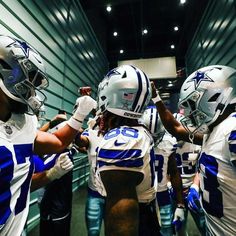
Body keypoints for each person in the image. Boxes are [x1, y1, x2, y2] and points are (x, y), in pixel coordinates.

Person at [0, 35, 96, 236]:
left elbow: (59, 141)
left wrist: (79, 115)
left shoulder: (24, 122)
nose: (32, 91)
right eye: (29, 80)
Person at [153, 65, 236, 235]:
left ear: (214, 97)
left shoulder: (232, 129)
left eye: (193, 103)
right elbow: (176, 128)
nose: (190, 113)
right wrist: (156, 99)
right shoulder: (214, 132)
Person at [95, 65, 161, 236]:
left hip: (138, 223)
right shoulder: (139, 131)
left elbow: (122, 220)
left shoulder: (121, 141)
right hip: (148, 215)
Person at [140, 105, 185, 236]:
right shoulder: (135, 141)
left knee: (166, 231)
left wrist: (180, 204)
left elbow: (174, 173)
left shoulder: (169, 142)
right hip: (142, 197)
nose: (153, 139)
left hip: (162, 195)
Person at [75, 117, 105, 236]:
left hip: (114, 194)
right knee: (93, 232)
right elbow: (81, 142)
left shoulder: (119, 134)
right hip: (95, 192)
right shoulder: (92, 133)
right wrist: (77, 128)